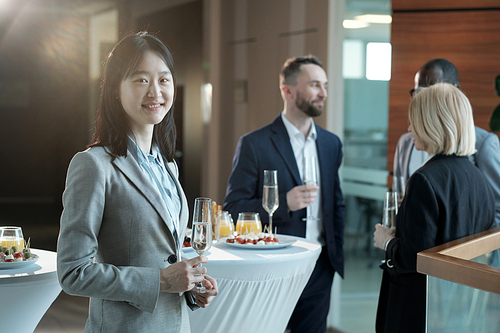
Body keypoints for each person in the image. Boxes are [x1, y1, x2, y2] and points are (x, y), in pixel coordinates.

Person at [57, 32, 218, 333]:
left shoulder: (167, 165)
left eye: (164, 79)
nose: (155, 92)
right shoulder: (93, 165)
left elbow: (167, 256)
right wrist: (160, 281)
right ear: (116, 90)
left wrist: (191, 289)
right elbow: (72, 273)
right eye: (141, 80)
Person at [223, 55, 345, 333]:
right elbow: (233, 208)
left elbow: (336, 204)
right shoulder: (254, 144)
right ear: (287, 90)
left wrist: (334, 257)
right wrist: (284, 203)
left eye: (324, 85)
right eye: (315, 85)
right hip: (273, 266)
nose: (323, 93)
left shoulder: (331, 143)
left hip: (320, 265)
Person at [374, 83, 495, 333]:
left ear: (432, 124)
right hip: (457, 311)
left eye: (414, 121)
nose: (409, 129)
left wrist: (386, 241)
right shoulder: (479, 178)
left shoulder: (423, 180)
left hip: (419, 312)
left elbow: (414, 258)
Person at [393, 58, 500, 230]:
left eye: (432, 91)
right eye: (418, 92)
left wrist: (470, 248)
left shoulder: (484, 144)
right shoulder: (406, 143)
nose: (423, 100)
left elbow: (495, 209)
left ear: (454, 93)